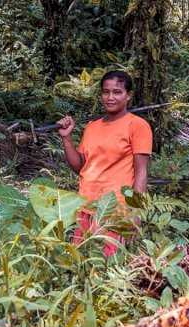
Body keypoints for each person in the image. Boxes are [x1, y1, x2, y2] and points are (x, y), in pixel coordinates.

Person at [56, 70, 152, 257]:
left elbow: (141, 173)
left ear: (128, 95)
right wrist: (67, 139)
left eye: (117, 92)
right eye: (105, 92)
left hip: (116, 210)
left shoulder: (138, 126)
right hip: (86, 207)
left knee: (108, 268)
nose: (110, 97)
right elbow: (80, 167)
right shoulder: (92, 127)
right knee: (82, 266)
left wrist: (135, 212)